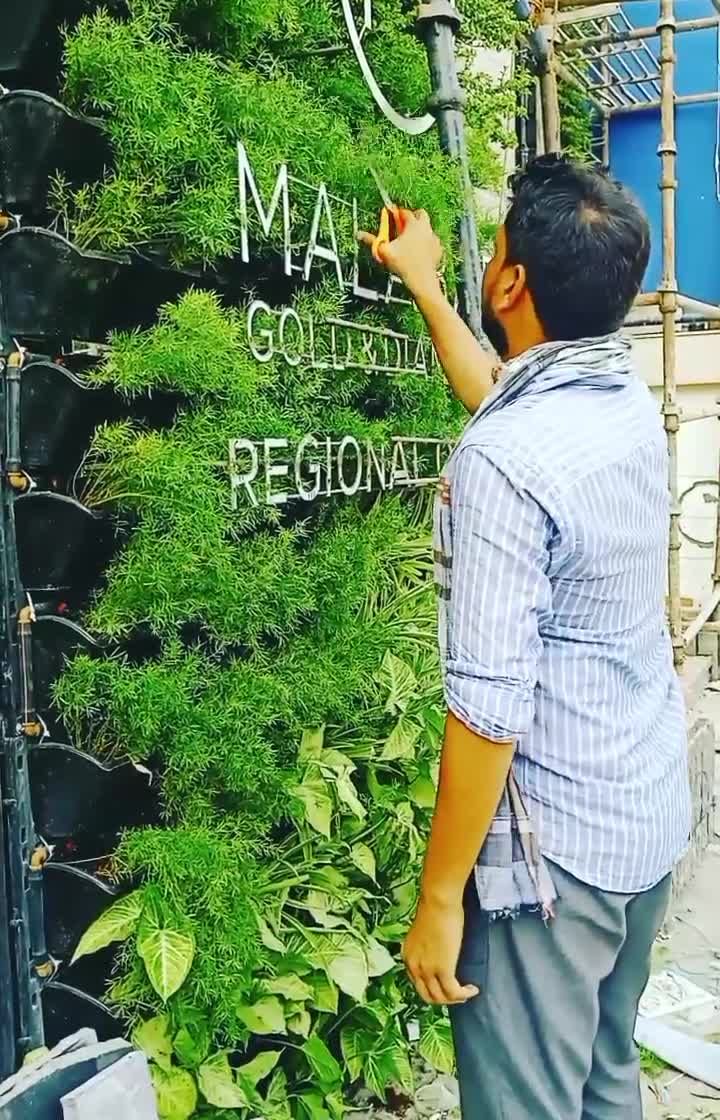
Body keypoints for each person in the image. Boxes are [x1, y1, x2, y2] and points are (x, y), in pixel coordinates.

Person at [359, 155, 691, 1120]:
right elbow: (504, 397)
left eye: (496, 245)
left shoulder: (508, 461)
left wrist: (439, 901)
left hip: (555, 871)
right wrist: (426, 285)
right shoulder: (619, 401)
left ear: (509, 284)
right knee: (604, 1077)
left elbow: (488, 712)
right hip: (642, 818)